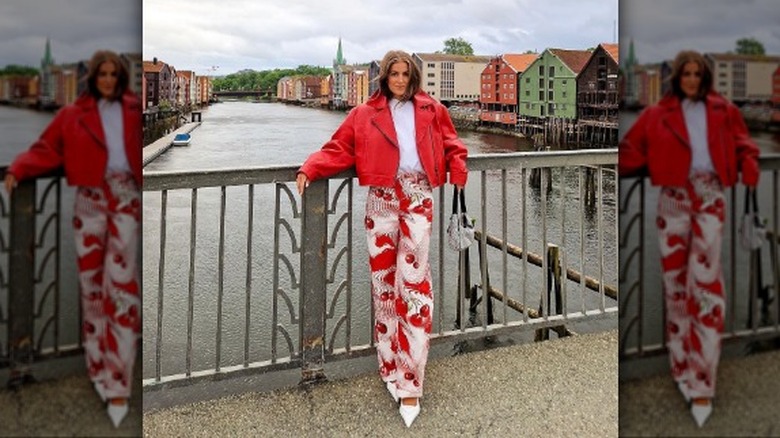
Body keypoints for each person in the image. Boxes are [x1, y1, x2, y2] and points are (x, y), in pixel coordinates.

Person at [297, 49, 468, 427]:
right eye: (394, 74)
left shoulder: (431, 109)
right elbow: (339, 148)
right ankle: (388, 366)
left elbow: (452, 143)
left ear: (414, 76)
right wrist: (311, 167)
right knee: (383, 287)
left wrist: (457, 169)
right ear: (384, 77)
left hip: (418, 196)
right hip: (382, 199)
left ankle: (411, 382)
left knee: (415, 286)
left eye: (407, 74)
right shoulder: (364, 114)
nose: (401, 80)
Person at [619, 50, 760, 428]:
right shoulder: (656, 114)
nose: (693, 79)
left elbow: (744, 144)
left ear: (705, 77)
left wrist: (748, 167)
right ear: (677, 77)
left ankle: (703, 383)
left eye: (699, 73)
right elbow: (630, 151)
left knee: (707, 287)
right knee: (675, 288)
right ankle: (680, 367)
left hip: (710, 197)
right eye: (687, 73)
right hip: (674, 200)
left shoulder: (722, 110)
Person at [4, 50, 142, 428]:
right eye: (103, 74)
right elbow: (47, 149)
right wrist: (18, 169)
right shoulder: (71, 115)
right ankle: (97, 368)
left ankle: (118, 382)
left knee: (122, 289)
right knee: (91, 289)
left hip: (125, 199)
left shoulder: (134, 110)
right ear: (93, 78)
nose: (109, 80)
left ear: (122, 77)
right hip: (90, 200)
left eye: (115, 74)